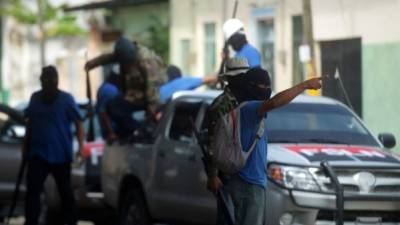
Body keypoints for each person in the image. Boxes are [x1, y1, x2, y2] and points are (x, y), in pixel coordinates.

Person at [207, 67, 322, 225]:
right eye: (264, 86)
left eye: (269, 86)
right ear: (251, 86)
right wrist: (304, 85)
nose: (267, 89)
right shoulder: (250, 109)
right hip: (249, 184)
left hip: (242, 182)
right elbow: (274, 102)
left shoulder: (242, 109)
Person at [23, 66, 84, 225]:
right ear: (41, 82)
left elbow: (78, 122)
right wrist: (25, 146)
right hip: (38, 153)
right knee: (33, 192)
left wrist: (81, 147)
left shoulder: (66, 99)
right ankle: (31, 221)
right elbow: (30, 123)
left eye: (51, 81)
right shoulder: (35, 99)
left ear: (57, 82)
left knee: (65, 192)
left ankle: (70, 222)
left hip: (61, 155)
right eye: (45, 81)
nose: (48, 84)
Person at [95, 70, 120, 141]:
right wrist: (111, 132)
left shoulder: (106, 87)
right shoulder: (110, 89)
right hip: (115, 133)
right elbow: (103, 112)